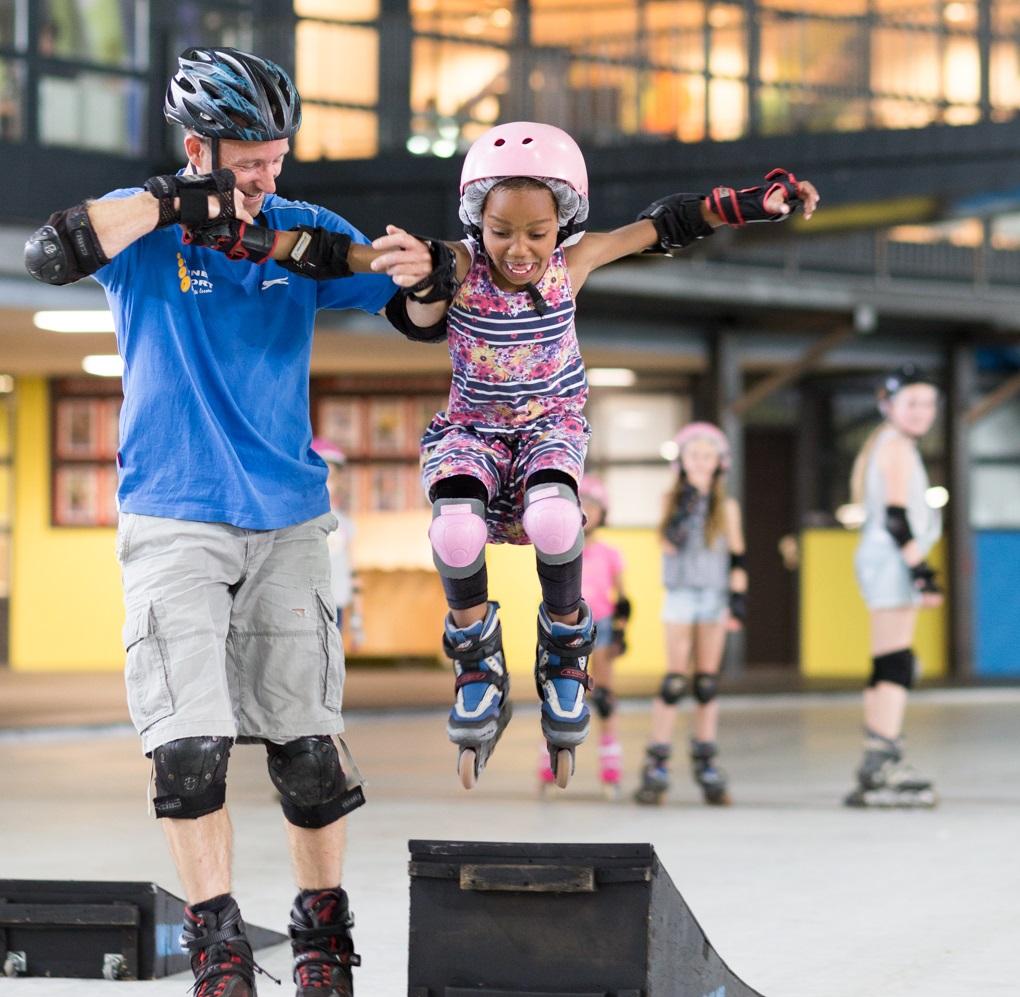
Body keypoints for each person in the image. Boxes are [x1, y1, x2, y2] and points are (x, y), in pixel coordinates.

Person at [193, 120, 819, 790]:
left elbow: (666, 224)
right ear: (476, 222)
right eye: (500, 231)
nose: (518, 249)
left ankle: (565, 644)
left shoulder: (573, 263)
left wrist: (754, 202)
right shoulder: (460, 265)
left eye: (536, 232)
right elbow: (343, 256)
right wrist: (253, 240)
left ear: (563, 225)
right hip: (473, 432)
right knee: (455, 528)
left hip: (550, 427)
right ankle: (476, 658)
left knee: (557, 519)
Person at [23, 47, 434, 997]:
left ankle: (323, 939)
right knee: (189, 748)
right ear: (199, 146)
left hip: (289, 519)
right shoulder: (147, 231)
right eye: (248, 162)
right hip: (172, 517)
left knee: (308, 752)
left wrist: (422, 271)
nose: (266, 180)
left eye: (276, 160)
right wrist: (175, 201)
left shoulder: (299, 228)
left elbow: (410, 304)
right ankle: (217, 944)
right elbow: (52, 252)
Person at [843, 365, 942, 808]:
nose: (923, 412)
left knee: (890, 661)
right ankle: (884, 758)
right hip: (892, 562)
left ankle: (877, 758)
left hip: (886, 561)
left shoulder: (891, 444)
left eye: (928, 403)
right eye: (912, 403)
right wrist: (922, 572)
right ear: (889, 406)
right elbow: (897, 518)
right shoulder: (896, 447)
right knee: (896, 662)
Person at [634, 423, 748, 806]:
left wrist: (737, 602)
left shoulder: (726, 506)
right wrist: (688, 503)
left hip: (713, 596)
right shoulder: (671, 499)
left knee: (706, 683)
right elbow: (667, 544)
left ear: (719, 463)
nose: (701, 462)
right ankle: (658, 761)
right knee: (673, 681)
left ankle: (706, 760)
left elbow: (737, 556)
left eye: (708, 456)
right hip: (681, 595)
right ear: (682, 462)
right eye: (694, 456)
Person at [537, 474, 629, 796]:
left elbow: (623, 598)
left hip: (601, 625)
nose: (588, 510)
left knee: (603, 697)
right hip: (564, 628)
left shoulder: (610, 553)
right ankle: (550, 760)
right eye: (581, 504)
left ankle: (610, 768)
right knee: (558, 690)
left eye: (594, 505)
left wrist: (621, 631)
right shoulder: (558, 550)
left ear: (603, 513)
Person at [311, 438, 363, 650]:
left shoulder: (345, 523)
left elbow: (352, 570)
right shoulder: (299, 522)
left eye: (333, 477)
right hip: (307, 600)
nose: (329, 484)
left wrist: (358, 619)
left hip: (337, 599)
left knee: (332, 654)